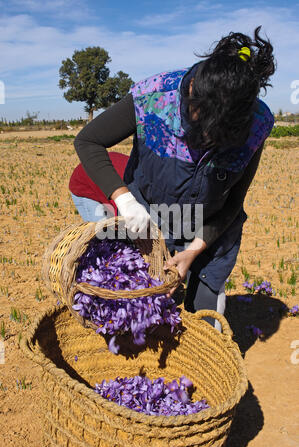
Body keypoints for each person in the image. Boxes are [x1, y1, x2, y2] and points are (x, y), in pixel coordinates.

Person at [70, 26, 276, 331]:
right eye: (193, 114)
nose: (197, 132)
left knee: (205, 315)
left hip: (211, 226)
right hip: (150, 219)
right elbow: (88, 141)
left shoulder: (257, 124)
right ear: (192, 86)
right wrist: (124, 201)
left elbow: (234, 200)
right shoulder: (154, 95)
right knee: (137, 307)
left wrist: (193, 251)